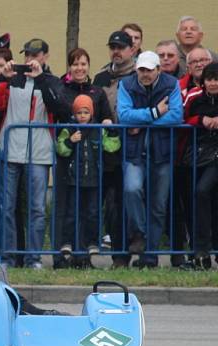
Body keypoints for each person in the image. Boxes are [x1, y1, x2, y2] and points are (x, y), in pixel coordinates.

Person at [0, 38, 70, 269]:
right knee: (6, 206)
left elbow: (61, 109)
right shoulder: (12, 79)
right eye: (27, 55)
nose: (29, 60)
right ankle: (7, 257)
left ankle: (33, 258)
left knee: (37, 208)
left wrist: (41, 79)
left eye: (35, 55)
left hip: (40, 152)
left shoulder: (52, 81)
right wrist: (1, 81)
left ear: (45, 56)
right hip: (10, 149)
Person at [117, 50, 183, 268]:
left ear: (158, 69)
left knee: (158, 205)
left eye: (148, 70)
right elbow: (124, 115)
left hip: (161, 151)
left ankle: (150, 256)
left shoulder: (171, 84)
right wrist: (155, 113)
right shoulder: (127, 84)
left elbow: (176, 115)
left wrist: (143, 121)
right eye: (141, 70)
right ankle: (141, 235)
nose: (144, 74)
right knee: (131, 189)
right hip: (134, 151)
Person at [56, 95, 121, 267]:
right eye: (79, 113)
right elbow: (61, 148)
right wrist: (70, 141)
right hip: (74, 179)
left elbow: (112, 146)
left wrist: (112, 130)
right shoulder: (69, 129)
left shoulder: (98, 128)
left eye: (86, 112)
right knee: (72, 213)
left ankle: (92, 242)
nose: (82, 116)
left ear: (91, 113)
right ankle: (67, 242)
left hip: (94, 179)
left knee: (93, 212)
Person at [94, 30, 137, 268]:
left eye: (121, 47)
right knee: (106, 204)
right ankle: (109, 255)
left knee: (123, 202)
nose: (116, 51)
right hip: (106, 148)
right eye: (113, 47)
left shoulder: (137, 76)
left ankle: (124, 255)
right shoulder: (100, 77)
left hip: (130, 147)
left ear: (132, 50)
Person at [184, 63, 218, 270]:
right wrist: (201, 119)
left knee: (203, 192)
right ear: (203, 81)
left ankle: (204, 248)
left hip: (215, 157)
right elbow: (184, 117)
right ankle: (201, 250)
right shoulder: (196, 99)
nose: (213, 83)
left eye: (216, 78)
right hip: (200, 156)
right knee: (202, 198)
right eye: (209, 78)